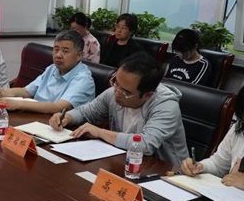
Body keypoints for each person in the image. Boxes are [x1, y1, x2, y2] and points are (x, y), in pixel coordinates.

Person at [49, 52, 189, 167]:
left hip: (167, 173)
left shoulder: (166, 106)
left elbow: (144, 145)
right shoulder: (115, 92)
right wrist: (66, 118)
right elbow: (86, 112)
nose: (116, 92)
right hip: (125, 162)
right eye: (116, 83)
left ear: (147, 95)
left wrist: (100, 132)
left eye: (125, 92)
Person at [0, 30, 95, 114]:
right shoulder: (52, 68)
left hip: (61, 127)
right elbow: (27, 91)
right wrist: (3, 92)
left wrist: (17, 104)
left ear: (79, 55)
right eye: (56, 49)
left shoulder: (83, 79)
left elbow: (58, 108)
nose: (58, 55)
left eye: (65, 51)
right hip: (37, 117)